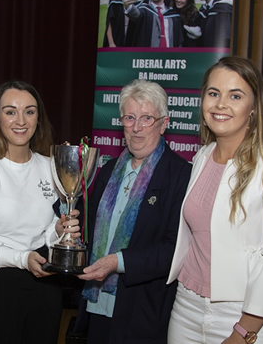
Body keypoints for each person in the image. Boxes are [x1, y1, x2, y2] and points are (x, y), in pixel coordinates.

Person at [167, 56, 263, 343]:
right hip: (185, 306)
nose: (220, 104)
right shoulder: (201, 157)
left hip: (243, 314)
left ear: (253, 108)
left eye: (235, 95)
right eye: (213, 93)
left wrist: (243, 331)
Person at [0, 80, 81, 344]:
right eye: (10, 111)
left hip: (45, 286)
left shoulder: (51, 166)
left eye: (29, 111)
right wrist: (22, 258)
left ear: (38, 118)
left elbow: (45, 231)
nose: (20, 120)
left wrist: (57, 232)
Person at [76, 79, 192, 344]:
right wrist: (69, 225)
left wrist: (119, 262)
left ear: (164, 123)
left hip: (143, 311)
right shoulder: (108, 170)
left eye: (147, 118)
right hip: (98, 303)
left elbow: (174, 250)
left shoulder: (181, 176)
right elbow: (90, 227)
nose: (137, 128)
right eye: (129, 118)